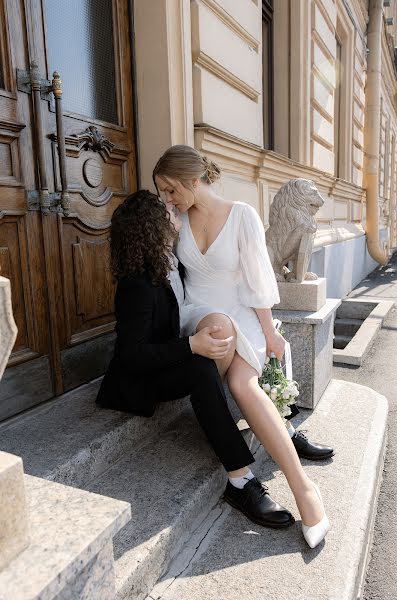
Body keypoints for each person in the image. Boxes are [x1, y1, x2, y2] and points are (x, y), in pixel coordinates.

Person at [153, 145, 331, 548]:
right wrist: (166, 222)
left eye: (169, 190)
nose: (167, 198)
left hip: (243, 314)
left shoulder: (242, 215)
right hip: (200, 314)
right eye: (162, 193)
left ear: (191, 180)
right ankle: (268, 459)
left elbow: (257, 281)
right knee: (217, 328)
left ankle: (304, 491)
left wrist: (269, 333)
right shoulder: (175, 219)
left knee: (243, 385)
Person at [96, 190, 295, 532]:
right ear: (152, 226)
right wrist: (191, 345)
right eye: (167, 210)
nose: (175, 211)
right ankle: (240, 480)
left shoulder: (169, 262)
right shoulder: (136, 284)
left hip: (165, 362)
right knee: (202, 368)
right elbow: (131, 355)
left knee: (205, 366)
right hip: (137, 381)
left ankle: (273, 438)